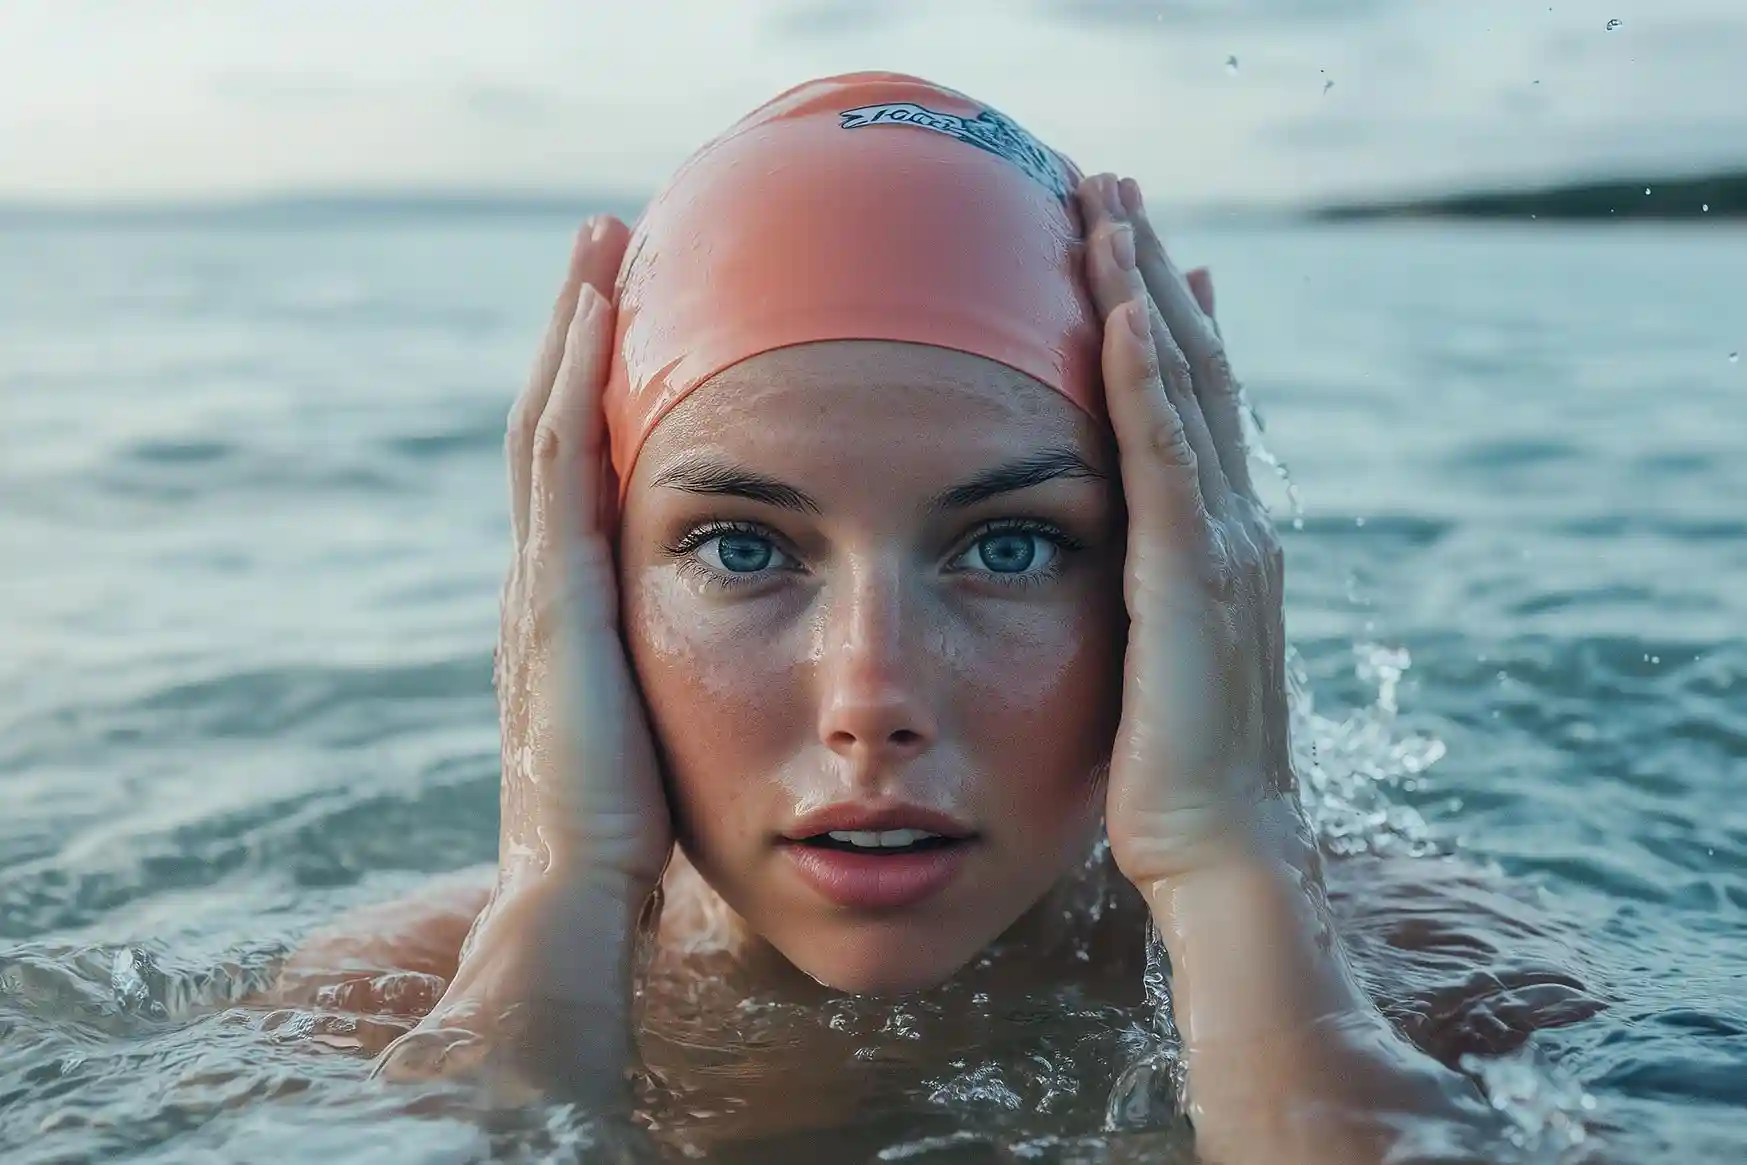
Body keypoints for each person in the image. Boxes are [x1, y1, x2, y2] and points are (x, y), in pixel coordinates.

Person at [274, 73, 1501, 1163]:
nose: (872, 702)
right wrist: (564, 882)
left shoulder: (1441, 989)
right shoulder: (382, 1003)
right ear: (590, 582)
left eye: (1011, 547)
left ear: (1177, 581)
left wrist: (1233, 865)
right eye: (742, 547)